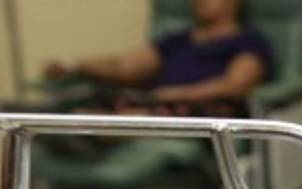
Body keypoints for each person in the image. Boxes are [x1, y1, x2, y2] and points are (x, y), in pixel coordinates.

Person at [42, 0, 272, 118]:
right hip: (153, 101)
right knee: (90, 96)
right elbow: (125, 67)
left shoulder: (247, 41)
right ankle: (74, 123)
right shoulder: (178, 40)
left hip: (203, 109)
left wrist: (178, 94)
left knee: (167, 111)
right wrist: (73, 65)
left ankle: (102, 128)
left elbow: (235, 85)